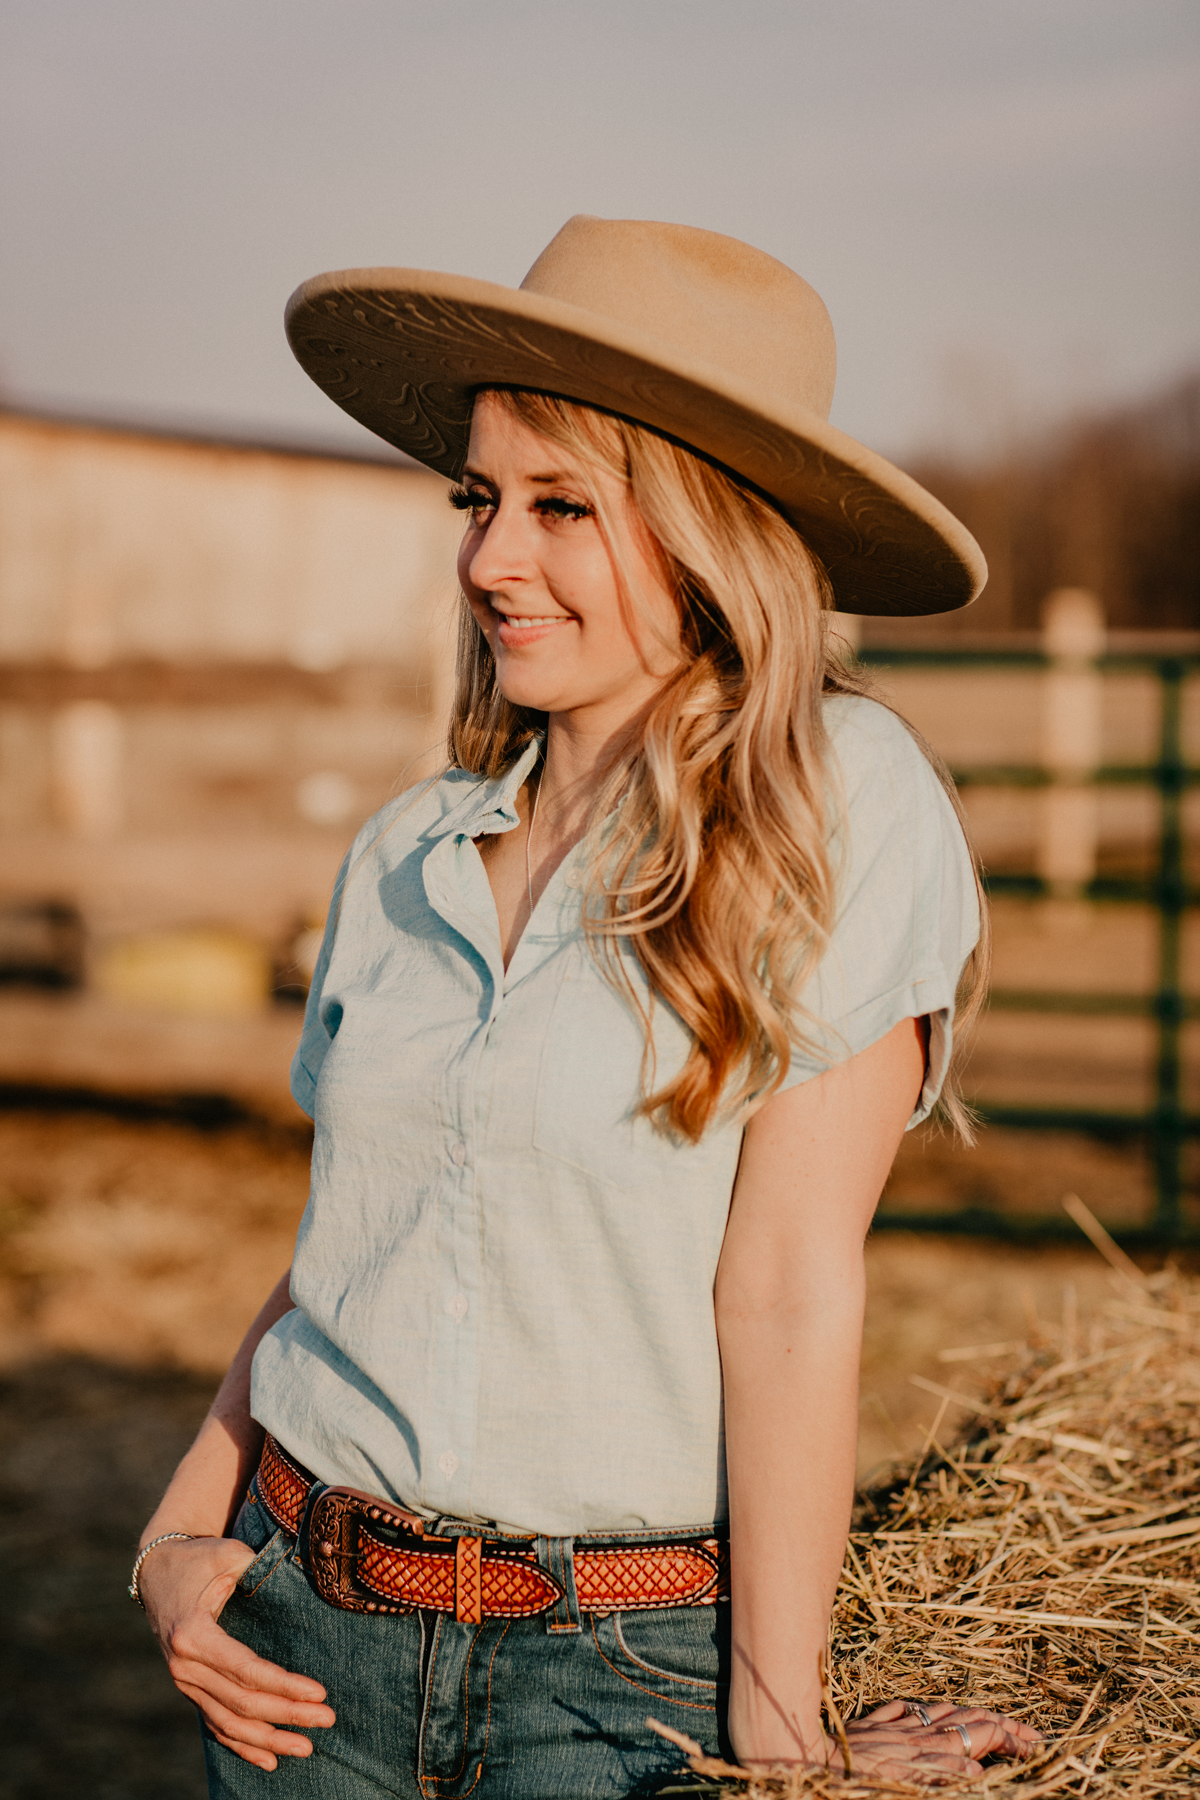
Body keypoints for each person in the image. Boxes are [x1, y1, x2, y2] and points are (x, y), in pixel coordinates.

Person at [134, 217, 1041, 1797]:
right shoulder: (407, 849)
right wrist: (173, 1536)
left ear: (709, 534)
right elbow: (356, 1251)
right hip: (300, 1641)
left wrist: (783, 1740)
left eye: (563, 506)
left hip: (615, 1683)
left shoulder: (842, 803)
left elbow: (788, 1296)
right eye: (478, 499)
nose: (490, 558)